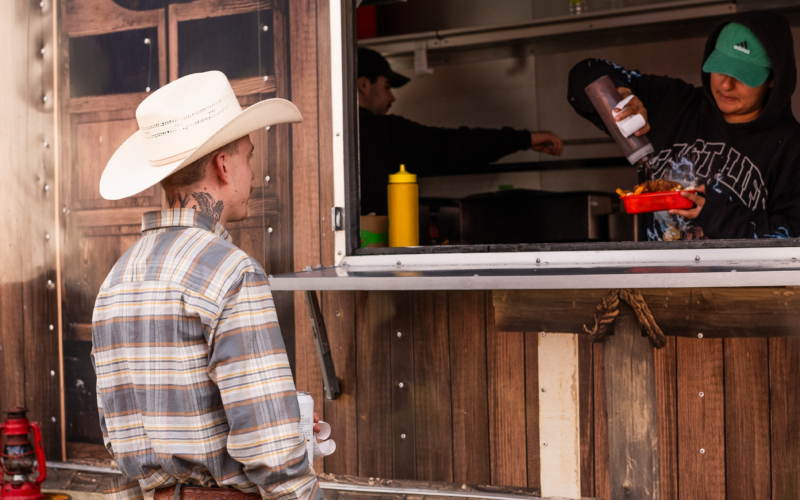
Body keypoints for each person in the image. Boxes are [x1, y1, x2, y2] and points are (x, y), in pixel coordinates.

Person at [91, 71, 323, 500]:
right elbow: (275, 459)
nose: (253, 173)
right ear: (222, 163)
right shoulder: (232, 274)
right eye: (248, 157)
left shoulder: (116, 280)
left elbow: (117, 433)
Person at [568, 11, 800, 240]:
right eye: (720, 68)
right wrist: (621, 94)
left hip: (734, 278)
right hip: (655, 276)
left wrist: (717, 215)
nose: (726, 85)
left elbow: (793, 237)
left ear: (773, 79)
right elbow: (585, 71)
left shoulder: (791, 148)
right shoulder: (673, 102)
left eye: (743, 75)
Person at [358, 47, 564, 215]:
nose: (392, 98)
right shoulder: (383, 131)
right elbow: (454, 145)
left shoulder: (331, 137)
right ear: (363, 85)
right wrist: (523, 139)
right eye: (386, 87)